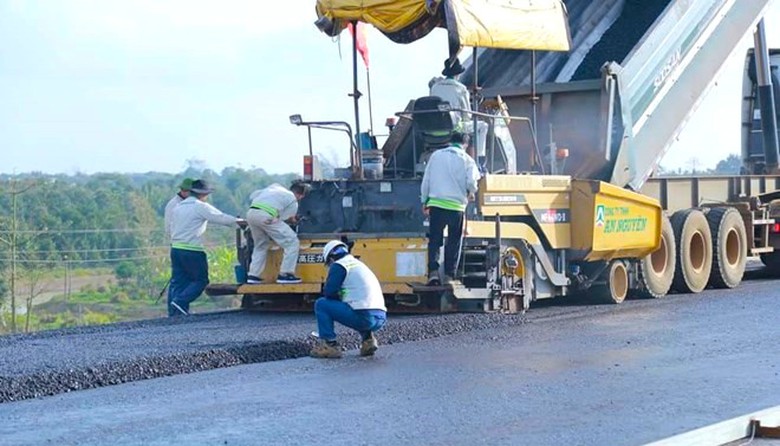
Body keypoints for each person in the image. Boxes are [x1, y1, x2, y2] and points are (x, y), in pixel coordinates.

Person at [169, 179, 247, 316]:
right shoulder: (200, 206)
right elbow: (221, 217)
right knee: (201, 281)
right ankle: (181, 301)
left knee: (179, 281)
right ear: (203, 194)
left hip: (175, 249)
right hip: (192, 249)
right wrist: (241, 222)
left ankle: (175, 313)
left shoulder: (178, 207)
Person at [421, 131, 481, 285]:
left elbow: (426, 180)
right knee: (453, 241)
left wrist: (424, 201)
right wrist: (471, 193)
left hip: (436, 205)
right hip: (456, 207)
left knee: (435, 240)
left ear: (449, 141)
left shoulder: (435, 156)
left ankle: (433, 273)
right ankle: (449, 275)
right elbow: (472, 183)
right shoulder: (468, 160)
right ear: (465, 145)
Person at [309, 240, 387, 359]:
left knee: (321, 304)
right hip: (380, 317)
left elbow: (329, 292)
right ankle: (368, 340)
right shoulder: (358, 264)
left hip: (364, 317)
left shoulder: (340, 265)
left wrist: (338, 296)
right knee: (355, 304)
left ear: (330, 258)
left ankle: (330, 345)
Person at [245, 181, 310, 284]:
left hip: (251, 214)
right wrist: (295, 220)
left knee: (261, 245)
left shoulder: (275, 189)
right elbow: (286, 219)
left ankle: (253, 276)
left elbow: (253, 196)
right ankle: (286, 274)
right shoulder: (293, 200)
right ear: (300, 195)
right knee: (292, 242)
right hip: (266, 217)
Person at [163, 177, 194, 309]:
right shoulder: (174, 205)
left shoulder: (184, 203)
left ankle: (178, 309)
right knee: (179, 280)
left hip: (181, 244)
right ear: (185, 191)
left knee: (181, 279)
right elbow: (169, 228)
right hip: (179, 244)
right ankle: (175, 309)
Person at [429, 57, 470, 131]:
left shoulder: (434, 87)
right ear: (458, 74)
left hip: (435, 126)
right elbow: (467, 115)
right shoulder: (461, 88)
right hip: (454, 127)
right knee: (483, 126)